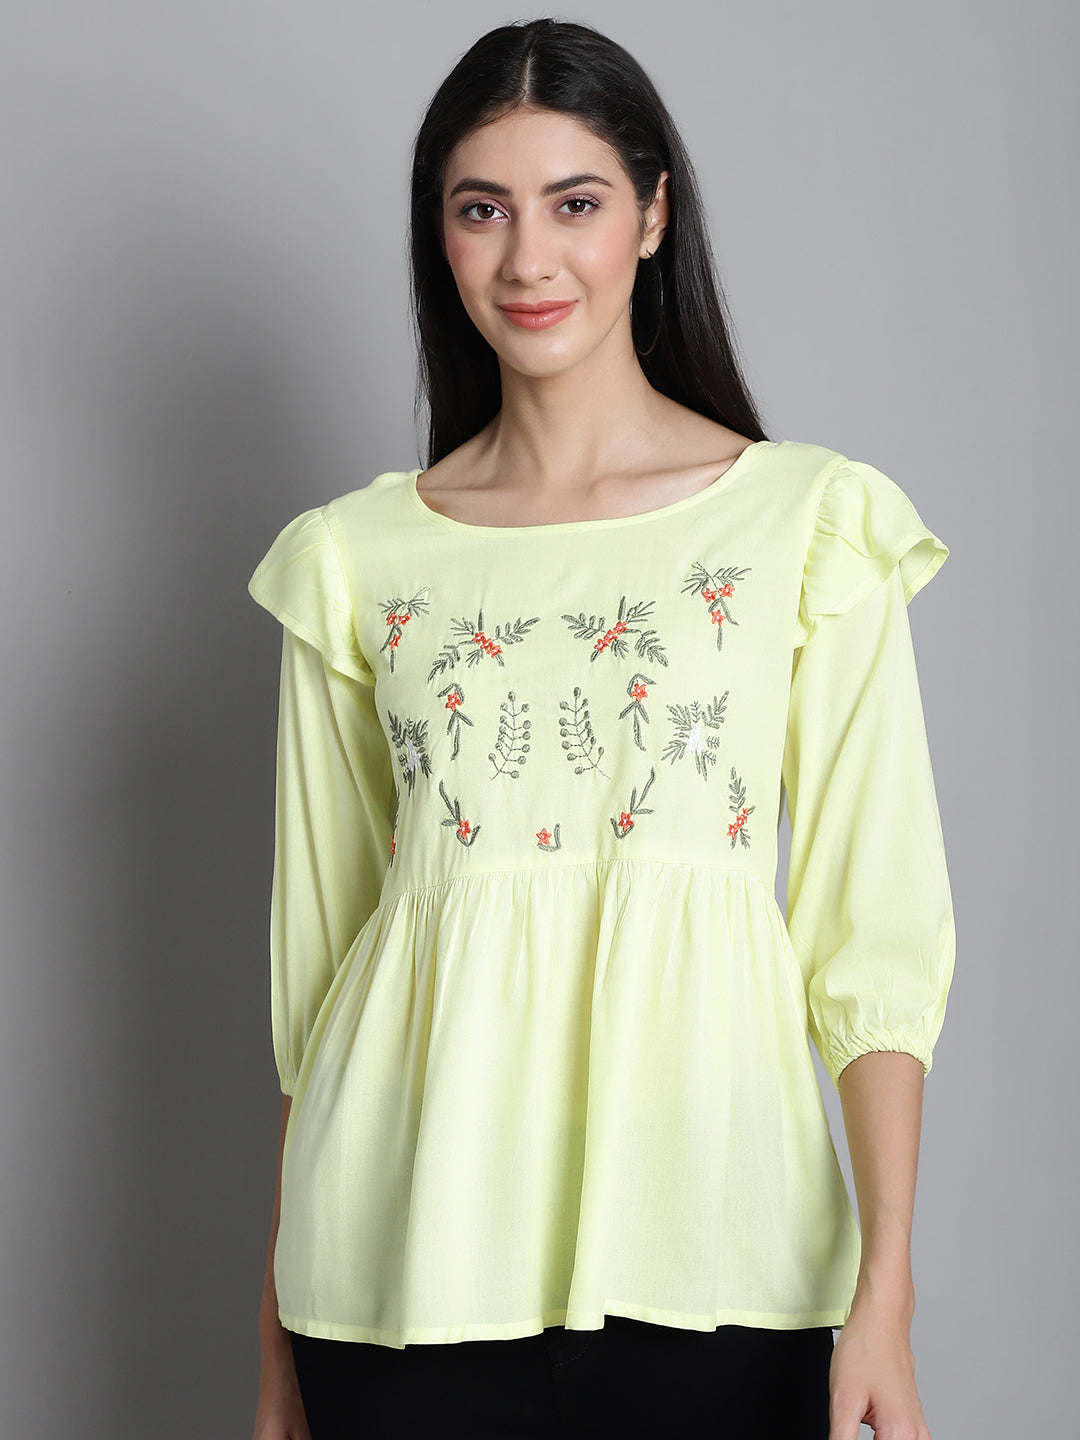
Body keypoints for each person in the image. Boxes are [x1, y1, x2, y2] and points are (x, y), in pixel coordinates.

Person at [249, 18, 955, 1440]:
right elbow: (316, 990)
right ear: (440, 238)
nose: (529, 258)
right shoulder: (353, 559)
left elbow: (873, 929)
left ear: (653, 214)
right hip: (398, 1270)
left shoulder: (805, 523)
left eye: (574, 202)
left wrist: (885, 1291)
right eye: (482, 210)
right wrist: (276, 1358)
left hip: (724, 1253)